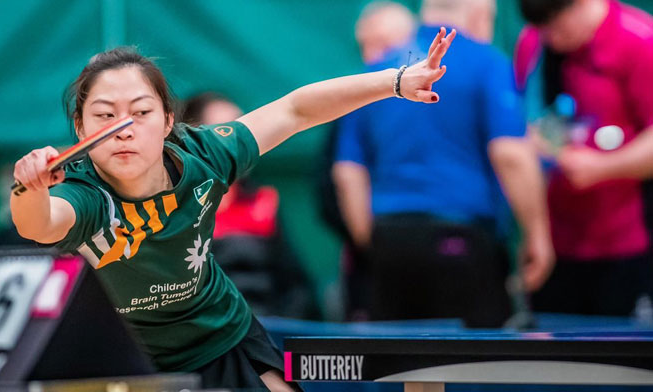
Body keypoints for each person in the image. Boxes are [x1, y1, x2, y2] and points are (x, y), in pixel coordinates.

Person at [10, 28, 455, 390]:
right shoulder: (85, 193)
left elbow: (296, 110)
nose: (122, 130)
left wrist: (395, 82)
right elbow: (41, 224)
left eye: (139, 113)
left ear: (168, 121)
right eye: (104, 116)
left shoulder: (205, 156)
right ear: (80, 126)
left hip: (221, 336)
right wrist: (28, 188)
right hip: (126, 358)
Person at [333, 0, 553, 328]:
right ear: (479, 13)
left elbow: (347, 171)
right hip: (462, 240)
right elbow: (510, 154)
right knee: (471, 368)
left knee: (397, 367)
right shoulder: (487, 63)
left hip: (390, 240)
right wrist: (537, 234)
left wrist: (373, 242)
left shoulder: (379, 73)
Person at [515, 0, 653, 316]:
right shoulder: (532, 42)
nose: (550, 38)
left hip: (627, 245)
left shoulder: (639, 40)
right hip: (556, 247)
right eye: (543, 29)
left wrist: (603, 168)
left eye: (558, 27)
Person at [181, 92, 320, 319]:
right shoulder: (175, 210)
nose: (235, 141)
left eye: (240, 130)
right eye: (223, 131)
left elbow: (295, 287)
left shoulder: (263, 202)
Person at [320, 1, 417, 321]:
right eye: (366, 46)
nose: (373, 57)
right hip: (372, 263)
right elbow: (337, 182)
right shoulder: (352, 105)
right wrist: (369, 244)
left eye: (386, 45)